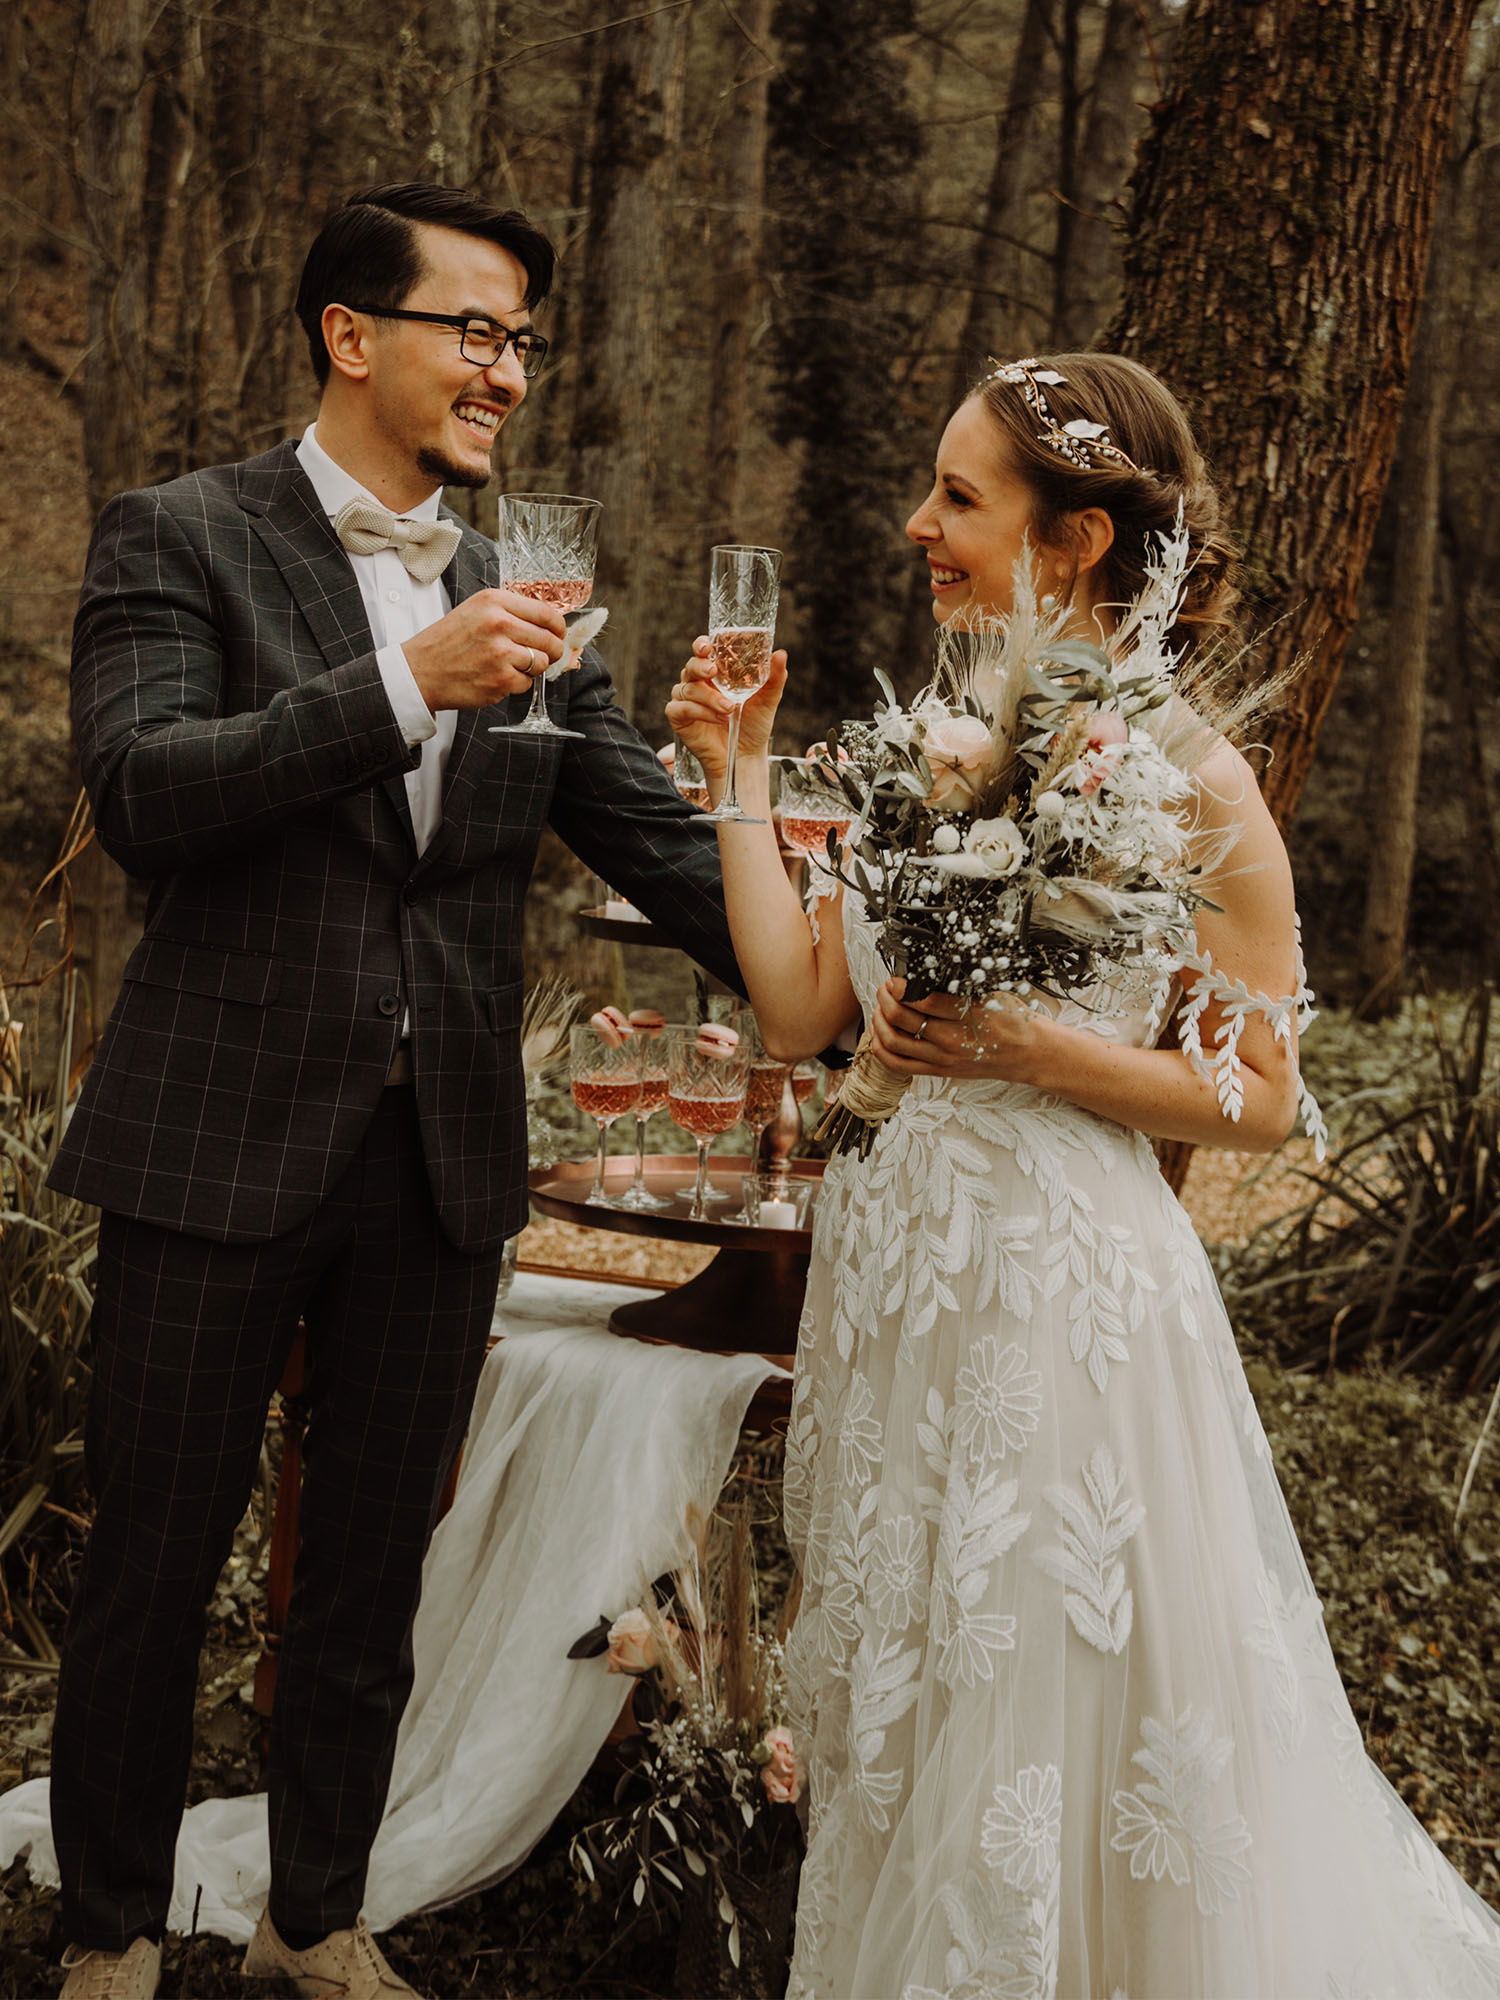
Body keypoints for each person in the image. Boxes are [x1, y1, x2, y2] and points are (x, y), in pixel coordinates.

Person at [669, 354, 1500, 1998]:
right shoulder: (935, 740)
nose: (921, 523)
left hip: (1062, 1307)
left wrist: (1031, 1053)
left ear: (1076, 544)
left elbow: (1259, 1101)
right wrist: (740, 768)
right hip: (900, 1280)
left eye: (960, 498)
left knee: (1048, 1682)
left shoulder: (1194, 777)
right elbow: (799, 1007)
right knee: (918, 1687)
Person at [45, 181, 739, 2000]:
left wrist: (891, 935)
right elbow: (146, 792)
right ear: (354, 335)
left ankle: (313, 1914)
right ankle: (110, 1929)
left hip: (440, 1165)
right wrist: (399, 682)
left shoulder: (525, 595)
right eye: (474, 330)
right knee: (157, 1561)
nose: (508, 370)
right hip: (212, 1137)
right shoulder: (177, 534)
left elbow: (665, 856)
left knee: (365, 1579)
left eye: (523, 339)